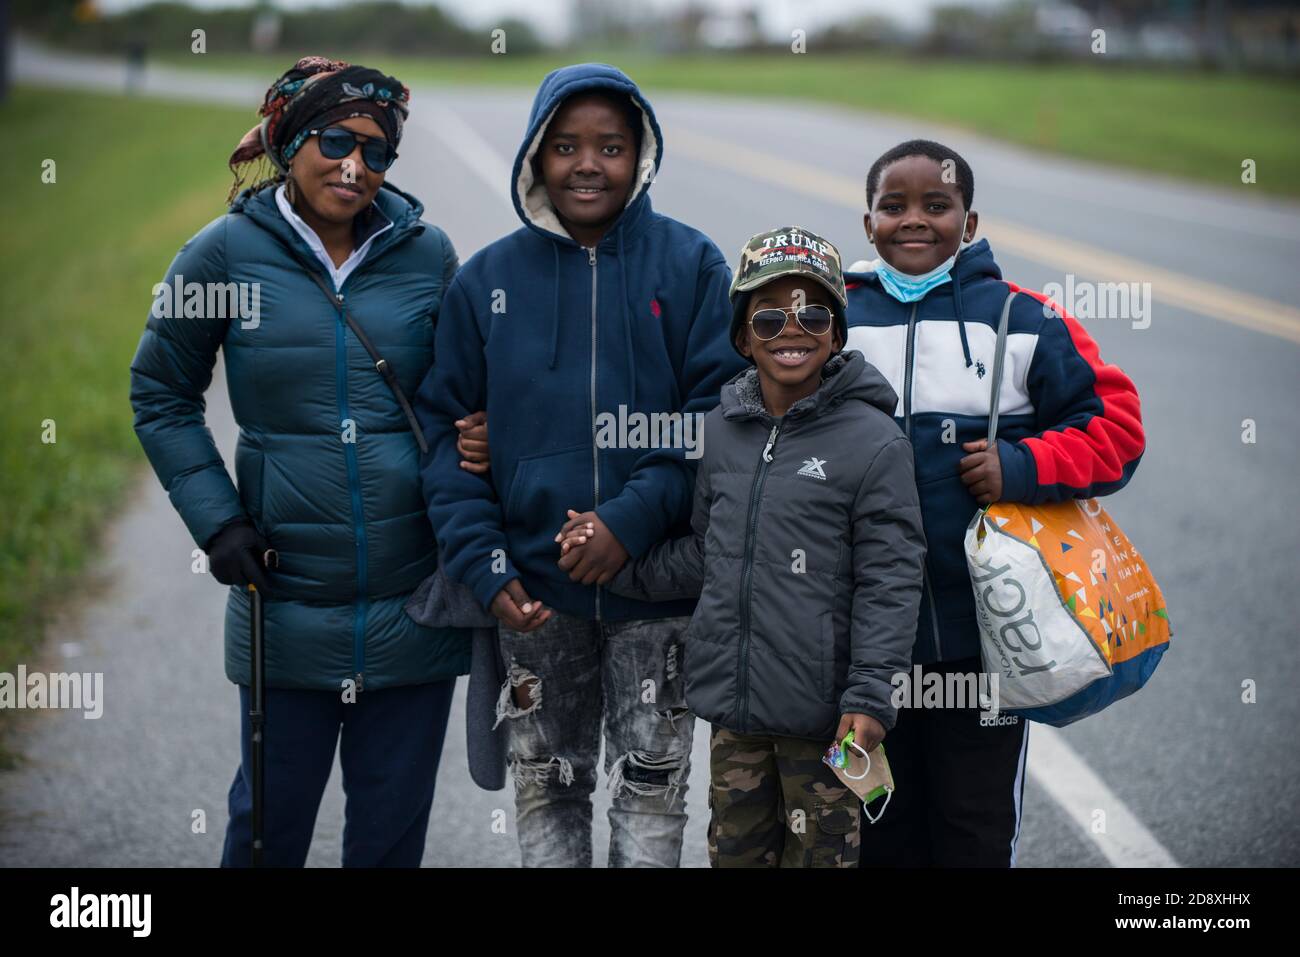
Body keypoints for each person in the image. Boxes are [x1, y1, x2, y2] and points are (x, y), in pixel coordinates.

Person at [129, 57, 470, 867]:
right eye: (334, 141)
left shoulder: (429, 256)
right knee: (264, 834)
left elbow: (463, 396)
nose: (355, 167)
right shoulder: (221, 256)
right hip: (283, 604)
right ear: (288, 141)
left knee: (389, 845)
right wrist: (218, 523)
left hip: (413, 606)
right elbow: (161, 392)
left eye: (377, 151)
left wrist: (475, 437)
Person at [414, 63, 743, 868]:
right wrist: (488, 568)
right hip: (534, 596)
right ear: (535, 156)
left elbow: (713, 418)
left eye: (611, 146)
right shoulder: (486, 282)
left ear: (642, 156)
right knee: (549, 783)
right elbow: (444, 443)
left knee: (652, 780)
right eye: (565, 146)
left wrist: (627, 520)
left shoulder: (691, 266)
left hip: (658, 593)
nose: (587, 164)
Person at [561, 226, 927, 867]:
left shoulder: (875, 442)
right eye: (769, 316)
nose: (793, 328)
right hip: (736, 717)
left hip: (827, 723)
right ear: (742, 338)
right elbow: (708, 553)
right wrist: (615, 568)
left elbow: (891, 580)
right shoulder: (722, 433)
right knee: (734, 858)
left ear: (836, 334)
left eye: (814, 313)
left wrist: (871, 698)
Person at [843, 139, 1146, 867]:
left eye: (936, 205)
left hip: (981, 648)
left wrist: (1024, 463)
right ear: (868, 223)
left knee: (973, 829)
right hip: (860, 650)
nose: (914, 221)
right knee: (876, 828)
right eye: (894, 205)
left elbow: (1119, 430)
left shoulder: (1023, 320)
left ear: (970, 223)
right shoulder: (832, 320)